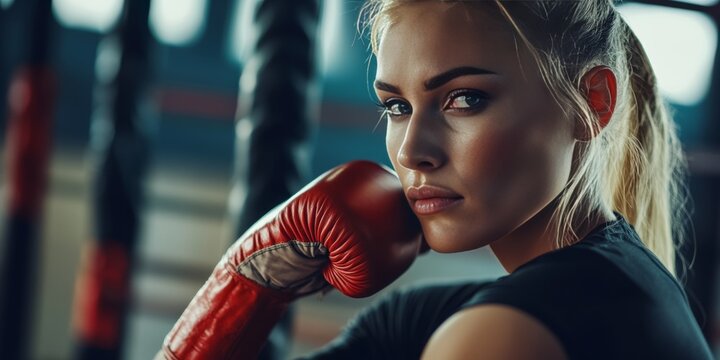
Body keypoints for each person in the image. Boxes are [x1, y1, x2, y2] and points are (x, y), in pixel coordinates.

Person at [157, 1, 714, 359]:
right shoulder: (628, 290)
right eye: (396, 107)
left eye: (464, 99)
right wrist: (254, 286)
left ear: (592, 104)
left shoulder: (501, 338)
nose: (412, 150)